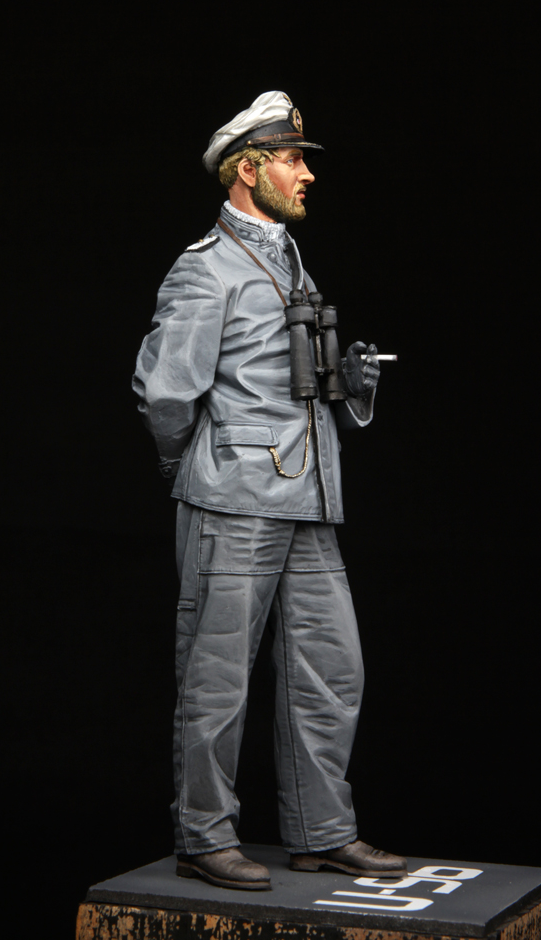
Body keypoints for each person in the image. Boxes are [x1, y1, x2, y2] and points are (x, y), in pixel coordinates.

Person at [132, 91, 406, 891]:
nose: (306, 173)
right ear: (247, 170)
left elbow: (295, 381)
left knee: (331, 669)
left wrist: (352, 384)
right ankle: (203, 835)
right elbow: (166, 394)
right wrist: (193, 471)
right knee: (217, 679)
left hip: (309, 499)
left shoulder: (289, 259)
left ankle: (322, 831)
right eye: (291, 159)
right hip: (235, 500)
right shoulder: (205, 268)